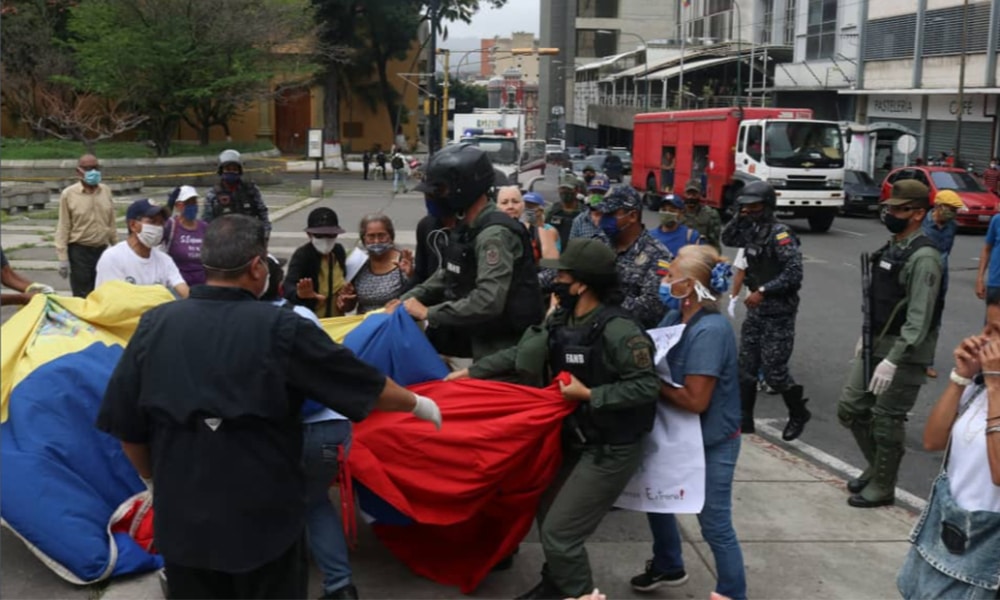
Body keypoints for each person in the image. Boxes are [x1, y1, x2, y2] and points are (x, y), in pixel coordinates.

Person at [96, 214, 442, 600]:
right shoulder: (282, 327)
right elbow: (364, 384)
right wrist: (417, 403)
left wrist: (154, 482)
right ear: (257, 266)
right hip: (263, 525)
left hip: (184, 524)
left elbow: (125, 424)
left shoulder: (156, 324)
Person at [447, 238, 659, 600]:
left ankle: (578, 592)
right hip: (576, 437)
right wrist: (469, 375)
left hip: (611, 447)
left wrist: (591, 395)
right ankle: (557, 584)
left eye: (562, 275)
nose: (555, 280)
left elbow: (645, 387)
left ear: (582, 283)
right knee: (547, 514)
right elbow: (522, 353)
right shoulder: (563, 319)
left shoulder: (620, 331)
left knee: (562, 534)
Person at [631, 245, 746, 600]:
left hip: (712, 439)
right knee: (656, 498)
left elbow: (696, 400)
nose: (664, 282)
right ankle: (668, 563)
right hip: (679, 433)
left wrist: (649, 381)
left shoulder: (710, 331)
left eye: (671, 276)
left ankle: (732, 591)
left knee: (714, 523)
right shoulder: (675, 318)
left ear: (692, 285)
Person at [837, 180, 942, 508]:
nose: (890, 213)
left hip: (903, 352)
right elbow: (882, 301)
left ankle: (884, 485)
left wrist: (895, 358)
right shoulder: (893, 248)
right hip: (877, 343)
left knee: (886, 419)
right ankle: (876, 468)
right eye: (889, 208)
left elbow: (918, 318)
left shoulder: (924, 257)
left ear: (918, 213)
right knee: (851, 409)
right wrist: (865, 337)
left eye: (899, 208)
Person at [258, 256, 358, 600]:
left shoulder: (248, 322)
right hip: (332, 429)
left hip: (290, 431)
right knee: (313, 502)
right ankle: (340, 585)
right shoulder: (303, 315)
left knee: (268, 504)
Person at [395, 143, 543, 360]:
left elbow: (488, 300)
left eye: (440, 191)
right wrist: (404, 301)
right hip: (476, 342)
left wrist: (429, 313)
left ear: (464, 188)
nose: (434, 198)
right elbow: (447, 274)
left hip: (501, 351)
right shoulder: (466, 226)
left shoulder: (494, 236)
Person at [897, 297, 1000, 599]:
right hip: (945, 532)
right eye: (987, 327)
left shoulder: (992, 387)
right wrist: (961, 377)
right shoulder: (979, 386)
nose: (986, 339)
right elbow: (933, 440)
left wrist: (996, 388)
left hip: (987, 556)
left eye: (996, 330)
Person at [721, 181, 809, 441]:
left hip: (778, 311)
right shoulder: (751, 230)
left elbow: (794, 273)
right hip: (756, 310)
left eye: (755, 206)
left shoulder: (781, 234)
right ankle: (744, 419)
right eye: (746, 206)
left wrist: (764, 290)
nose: (750, 211)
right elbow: (727, 237)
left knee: (774, 371)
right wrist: (740, 214)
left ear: (768, 206)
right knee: (746, 367)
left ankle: (798, 412)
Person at [594, 185, 673, 329]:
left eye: (610, 214)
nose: (604, 219)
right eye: (602, 214)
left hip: (630, 335)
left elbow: (652, 308)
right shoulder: (599, 242)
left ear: (632, 216)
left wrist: (601, 302)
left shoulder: (657, 254)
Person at [95, 199, 189, 298]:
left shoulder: (164, 260)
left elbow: (183, 289)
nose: (158, 228)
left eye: (161, 223)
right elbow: (112, 301)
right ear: (133, 225)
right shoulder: (112, 258)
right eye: (152, 222)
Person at [55, 153, 117, 297]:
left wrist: (117, 247)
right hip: (79, 251)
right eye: (88, 169)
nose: (93, 172)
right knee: (83, 295)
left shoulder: (105, 191)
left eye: (95, 168)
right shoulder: (68, 194)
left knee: (103, 293)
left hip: (102, 250)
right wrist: (62, 258)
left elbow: (111, 222)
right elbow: (64, 226)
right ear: (79, 171)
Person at [284, 207, 354, 319]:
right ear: (309, 235)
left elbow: (344, 281)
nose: (325, 240)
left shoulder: (338, 251)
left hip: (336, 320)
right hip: (311, 321)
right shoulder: (303, 255)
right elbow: (288, 286)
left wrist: (346, 295)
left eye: (331, 235)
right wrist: (299, 294)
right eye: (319, 235)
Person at [922, 190, 963, 378]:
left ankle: (926, 361)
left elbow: (947, 252)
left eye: (956, 210)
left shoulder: (951, 226)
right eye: (951, 209)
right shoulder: (921, 222)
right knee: (914, 316)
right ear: (938, 207)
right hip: (921, 276)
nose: (954, 213)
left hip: (941, 279)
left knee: (934, 321)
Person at [351, 214, 415, 315]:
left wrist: (411, 275)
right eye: (371, 236)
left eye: (381, 235)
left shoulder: (403, 263)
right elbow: (349, 305)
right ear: (363, 239)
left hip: (395, 323)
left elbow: (416, 296)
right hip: (365, 326)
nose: (376, 241)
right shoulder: (358, 263)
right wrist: (345, 300)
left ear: (391, 236)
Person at [202, 149, 271, 239]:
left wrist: (265, 233)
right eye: (227, 169)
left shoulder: (251, 190)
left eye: (234, 169)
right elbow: (207, 221)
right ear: (221, 171)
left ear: (240, 171)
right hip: (223, 242)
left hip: (249, 239)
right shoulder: (213, 194)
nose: (231, 172)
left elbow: (262, 213)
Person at [162, 185, 208, 287]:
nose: (192, 206)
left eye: (194, 202)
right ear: (179, 205)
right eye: (188, 203)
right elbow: (157, 231)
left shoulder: (204, 227)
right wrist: (167, 209)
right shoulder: (171, 225)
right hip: (178, 283)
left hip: (202, 283)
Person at [545, 173, 585, 249]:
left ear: (577, 190)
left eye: (569, 189)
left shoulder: (584, 213)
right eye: (563, 189)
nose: (565, 192)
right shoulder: (550, 211)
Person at [681, 180, 722, 252]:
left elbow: (714, 242)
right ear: (684, 194)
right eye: (688, 194)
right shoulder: (677, 212)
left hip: (701, 253)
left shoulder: (710, 214)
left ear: (700, 195)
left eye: (694, 194)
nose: (691, 197)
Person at [522, 191, 561, 260]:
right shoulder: (521, 228)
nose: (526, 209)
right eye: (524, 206)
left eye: (530, 206)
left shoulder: (549, 230)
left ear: (541, 210)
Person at [570, 175, 610, 241]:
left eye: (601, 193)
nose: (596, 196)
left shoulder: (616, 219)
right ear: (589, 194)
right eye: (593, 192)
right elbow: (573, 247)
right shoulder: (579, 221)